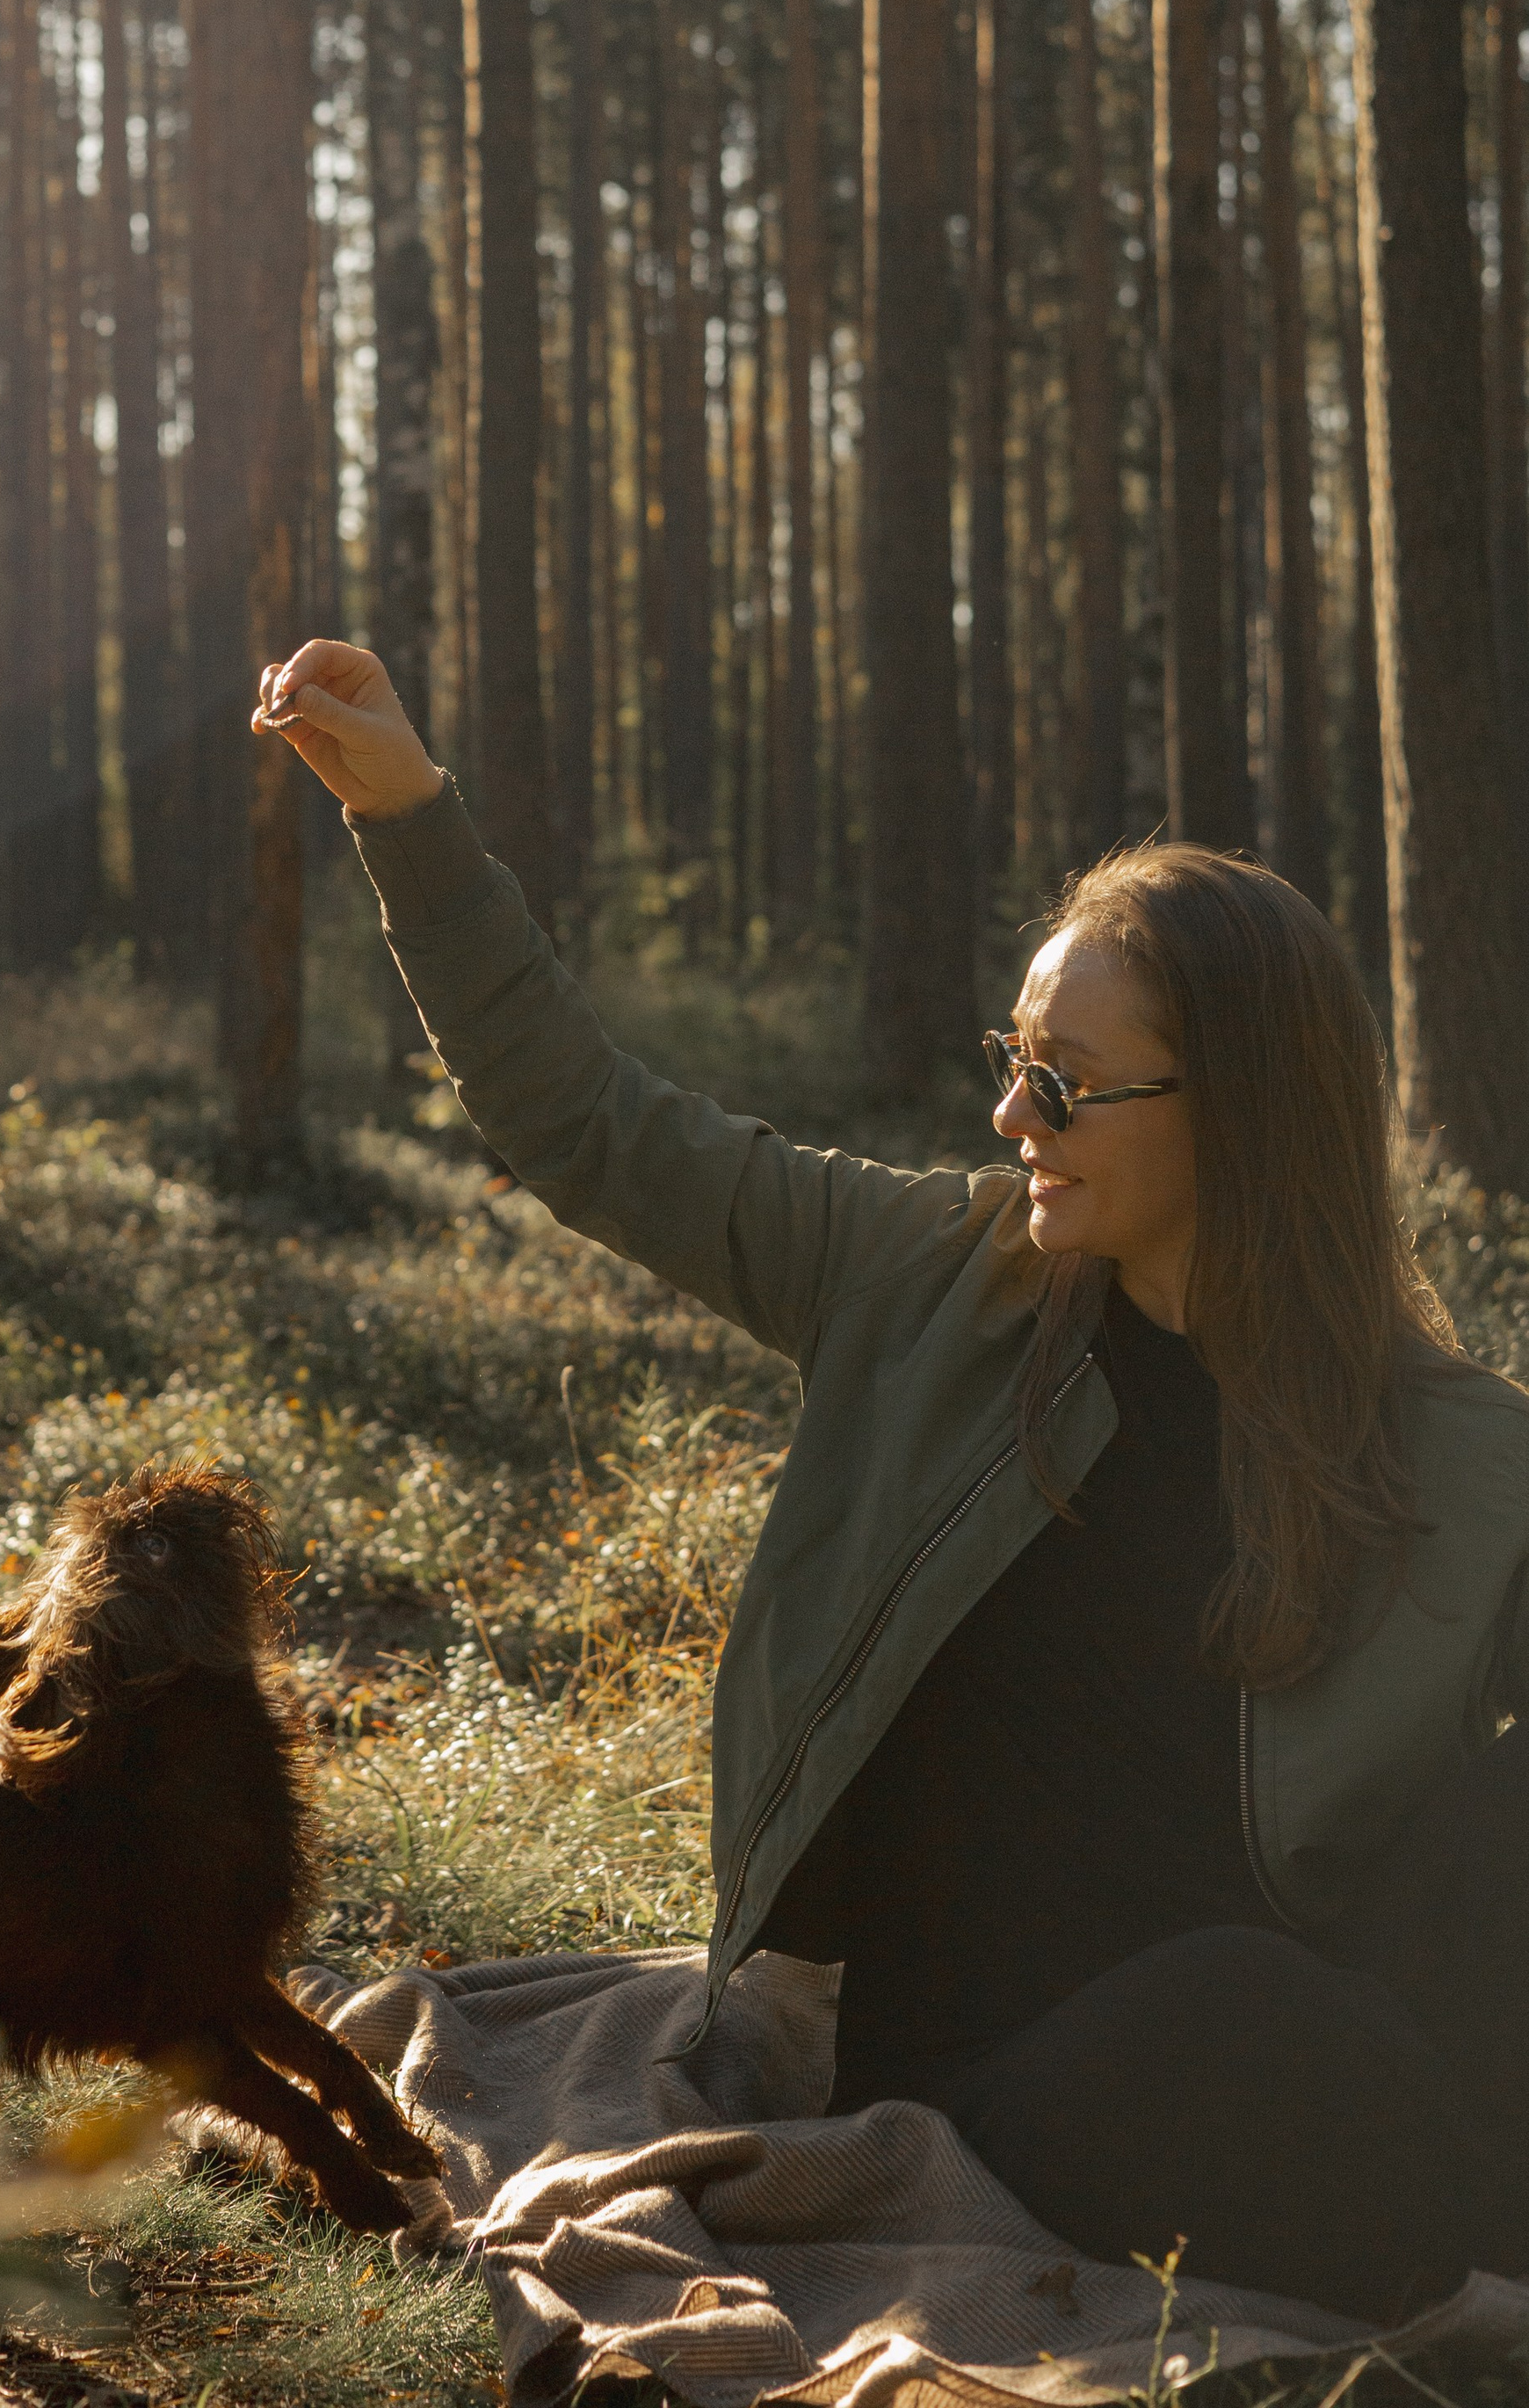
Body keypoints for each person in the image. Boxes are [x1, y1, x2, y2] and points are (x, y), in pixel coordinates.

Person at [252, 637, 1529, 2324]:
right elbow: (590, 1124)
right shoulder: (931, 1276)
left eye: (1065, 1079)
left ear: (1241, 1107)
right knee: (1248, 2023)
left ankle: (1455, 2230)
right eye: (1015, 1054)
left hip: (1315, 1996)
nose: (1014, 1109)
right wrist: (411, 815)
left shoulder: (1452, 1446)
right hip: (1017, 2049)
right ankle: (1453, 2244)